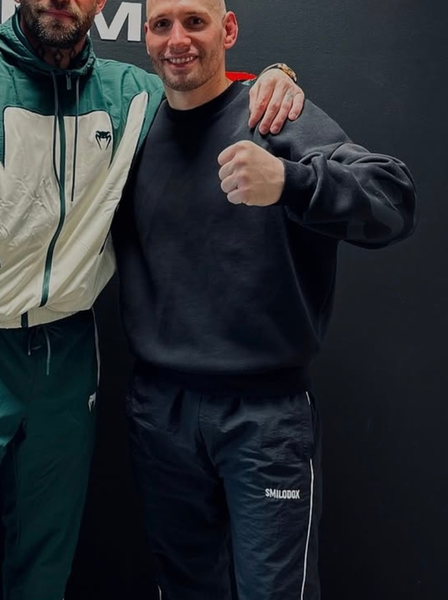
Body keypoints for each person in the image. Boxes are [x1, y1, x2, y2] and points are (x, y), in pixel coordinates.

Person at [0, 1, 303, 598]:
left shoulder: (131, 93)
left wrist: (274, 77)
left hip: (69, 352)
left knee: (47, 563)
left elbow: (202, 90)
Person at [112, 1, 417, 599]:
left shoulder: (270, 113)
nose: (178, 39)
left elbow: (393, 201)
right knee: (183, 588)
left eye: (195, 21)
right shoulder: (132, 126)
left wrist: (291, 182)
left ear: (227, 29)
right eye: (161, 24)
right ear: (143, 36)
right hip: (160, 410)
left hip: (263, 415)